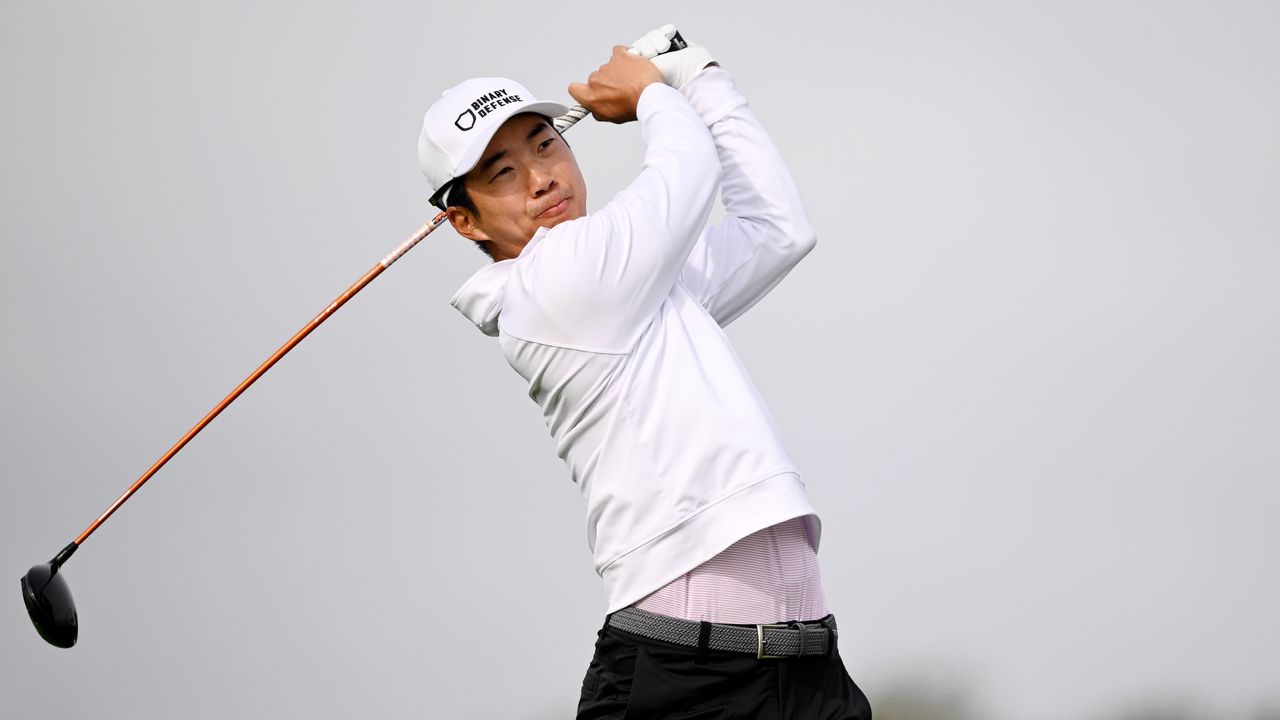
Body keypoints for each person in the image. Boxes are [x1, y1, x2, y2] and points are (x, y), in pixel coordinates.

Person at [417, 26, 872, 720]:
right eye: (502, 172)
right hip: (680, 684)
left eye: (545, 145)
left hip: (807, 675)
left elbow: (777, 227)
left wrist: (702, 76)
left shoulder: (634, 284)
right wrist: (654, 94)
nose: (542, 178)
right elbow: (687, 172)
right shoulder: (556, 284)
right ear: (465, 221)